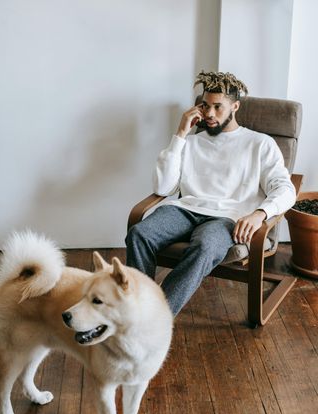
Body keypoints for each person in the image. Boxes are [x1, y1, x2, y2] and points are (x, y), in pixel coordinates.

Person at [125, 71, 296, 316]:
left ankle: (156, 317)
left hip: (227, 218)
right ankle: (137, 306)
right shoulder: (191, 143)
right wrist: (180, 134)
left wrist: (260, 213)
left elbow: (285, 189)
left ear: (235, 106)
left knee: (205, 245)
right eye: (205, 106)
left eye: (218, 107)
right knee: (139, 233)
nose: (210, 114)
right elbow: (162, 188)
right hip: (185, 210)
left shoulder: (260, 143)